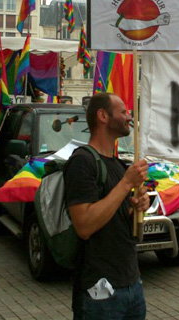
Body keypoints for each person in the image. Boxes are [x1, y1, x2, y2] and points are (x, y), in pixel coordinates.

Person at [64, 93, 150, 320]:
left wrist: (139, 208)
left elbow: (124, 225)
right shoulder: (82, 162)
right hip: (100, 292)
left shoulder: (119, 166)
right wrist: (126, 184)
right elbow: (84, 226)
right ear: (103, 116)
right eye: (123, 111)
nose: (129, 117)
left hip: (132, 284)